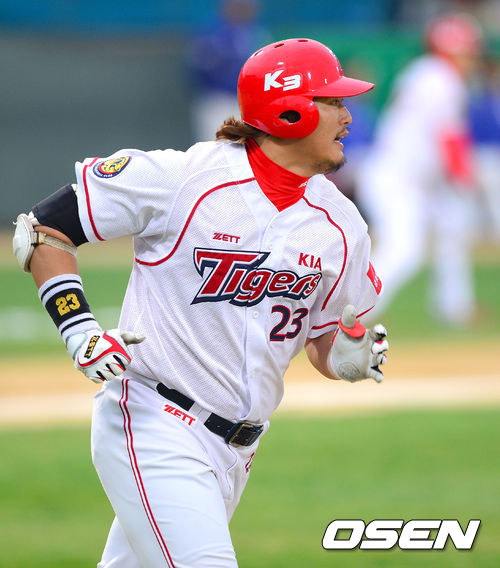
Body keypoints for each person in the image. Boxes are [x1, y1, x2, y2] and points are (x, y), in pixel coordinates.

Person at [13, 38, 389, 568]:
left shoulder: (341, 224)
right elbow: (43, 230)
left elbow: (324, 338)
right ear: (289, 110)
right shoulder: (185, 178)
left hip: (238, 450)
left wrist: (345, 357)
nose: (348, 116)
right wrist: (80, 330)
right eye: (333, 102)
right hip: (154, 420)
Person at [356, 13, 482, 325]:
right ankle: (353, 312)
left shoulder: (426, 72)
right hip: (397, 177)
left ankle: (455, 308)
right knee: (404, 250)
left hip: (418, 179)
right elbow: (450, 139)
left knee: (452, 229)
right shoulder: (441, 78)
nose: (471, 58)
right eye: (466, 51)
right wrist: (467, 180)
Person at [187, 0, 271, 142]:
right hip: (218, 100)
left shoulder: (256, 32)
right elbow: (198, 69)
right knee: (215, 146)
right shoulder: (212, 33)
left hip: (248, 104)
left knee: (247, 148)